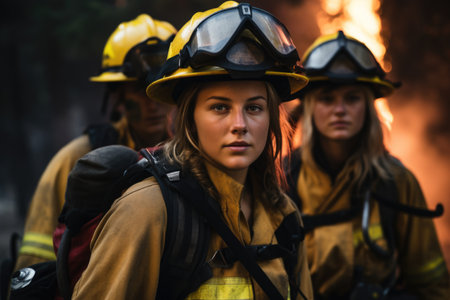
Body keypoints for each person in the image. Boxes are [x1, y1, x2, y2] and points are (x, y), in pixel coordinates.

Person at [70, 2, 313, 299]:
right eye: (220, 107)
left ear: (272, 117)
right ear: (190, 119)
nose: (240, 124)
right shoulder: (146, 211)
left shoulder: (284, 217)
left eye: (254, 107)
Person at [284, 30, 450, 299]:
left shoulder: (395, 181)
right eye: (327, 99)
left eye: (352, 98)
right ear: (309, 107)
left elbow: (432, 286)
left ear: (369, 107)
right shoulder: (284, 181)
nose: (340, 109)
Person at [14, 14, 176, 270]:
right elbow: (35, 259)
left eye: (160, 87)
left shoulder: (196, 156)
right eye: (139, 89)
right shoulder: (77, 159)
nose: (152, 100)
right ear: (117, 97)